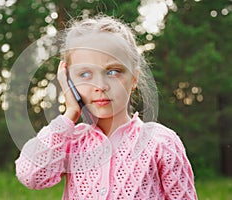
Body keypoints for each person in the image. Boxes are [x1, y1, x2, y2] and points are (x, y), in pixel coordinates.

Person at [15, 15, 198, 199]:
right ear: (69, 81)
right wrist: (70, 113)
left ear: (134, 79)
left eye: (113, 72)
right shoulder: (70, 141)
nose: (100, 86)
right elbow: (30, 175)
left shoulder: (160, 142)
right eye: (85, 74)